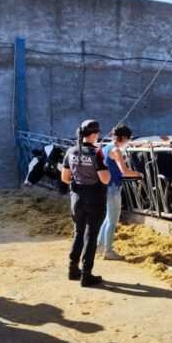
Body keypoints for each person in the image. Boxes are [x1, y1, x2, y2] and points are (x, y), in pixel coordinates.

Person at [60, 119, 110, 287]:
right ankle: (86, 275)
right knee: (91, 235)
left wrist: (80, 177)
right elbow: (105, 179)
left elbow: (65, 178)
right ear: (94, 134)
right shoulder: (97, 153)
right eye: (97, 134)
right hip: (95, 197)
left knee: (78, 233)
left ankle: (72, 269)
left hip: (76, 197)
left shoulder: (70, 151)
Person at [97, 124, 142, 260]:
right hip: (114, 187)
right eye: (127, 139)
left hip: (106, 186)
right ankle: (108, 251)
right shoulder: (116, 150)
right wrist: (139, 174)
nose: (127, 142)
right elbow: (125, 171)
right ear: (124, 138)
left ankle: (100, 245)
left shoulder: (105, 148)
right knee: (113, 220)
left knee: (108, 217)